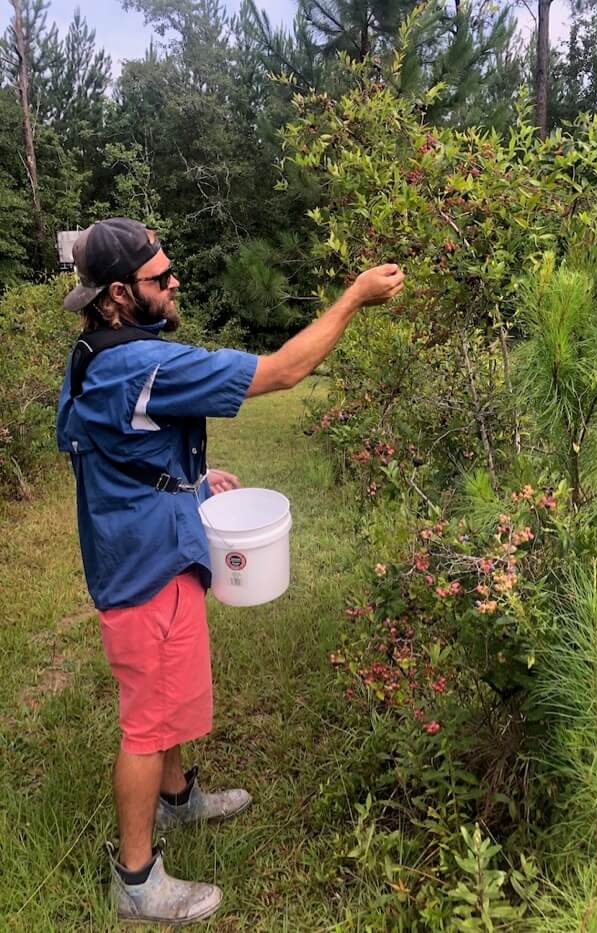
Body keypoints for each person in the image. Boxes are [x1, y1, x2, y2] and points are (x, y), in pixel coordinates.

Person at [56, 217, 404, 925]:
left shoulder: (96, 353)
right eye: (161, 277)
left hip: (155, 542)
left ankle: (179, 802)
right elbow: (283, 370)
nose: (175, 281)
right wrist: (353, 298)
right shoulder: (141, 365)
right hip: (142, 570)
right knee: (146, 724)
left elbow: (115, 443)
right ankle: (136, 878)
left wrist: (190, 478)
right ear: (120, 293)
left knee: (172, 690)